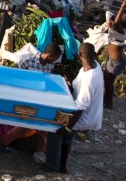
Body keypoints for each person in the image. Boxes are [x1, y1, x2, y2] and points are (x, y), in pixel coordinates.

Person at [0, 44, 62, 156]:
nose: (55, 62)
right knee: (24, 124)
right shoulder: (27, 60)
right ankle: (1, 142)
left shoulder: (49, 67)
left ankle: (41, 151)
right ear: (50, 55)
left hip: (38, 100)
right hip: (22, 98)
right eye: (55, 59)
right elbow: (16, 78)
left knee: (39, 126)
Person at [40, 43, 104, 174]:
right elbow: (76, 86)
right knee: (67, 138)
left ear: (80, 55)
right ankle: (62, 166)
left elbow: (80, 107)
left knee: (56, 131)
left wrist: (67, 126)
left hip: (82, 116)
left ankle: (52, 164)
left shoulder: (90, 79)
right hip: (82, 112)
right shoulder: (93, 66)